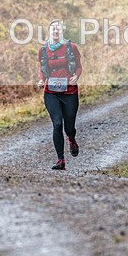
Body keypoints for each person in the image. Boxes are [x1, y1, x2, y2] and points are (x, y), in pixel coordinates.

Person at [37, 19, 82, 170]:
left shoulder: (71, 48)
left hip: (69, 92)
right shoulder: (43, 50)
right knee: (57, 124)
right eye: (53, 29)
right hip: (51, 92)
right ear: (49, 32)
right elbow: (42, 68)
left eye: (58, 29)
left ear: (62, 32)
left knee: (69, 128)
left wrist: (76, 76)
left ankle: (72, 138)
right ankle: (60, 160)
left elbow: (78, 67)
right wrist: (41, 80)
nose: (56, 31)